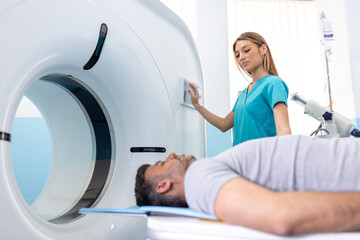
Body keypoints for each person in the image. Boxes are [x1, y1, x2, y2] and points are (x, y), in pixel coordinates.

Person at [134, 135, 360, 236]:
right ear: (163, 185)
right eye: (163, 163)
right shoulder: (198, 179)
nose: (171, 154)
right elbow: (281, 217)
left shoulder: (203, 180)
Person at [189, 32, 291, 146]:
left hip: (263, 159)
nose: (241, 57)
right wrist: (197, 105)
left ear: (263, 49)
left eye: (246, 50)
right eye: (237, 55)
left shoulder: (273, 84)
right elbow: (224, 124)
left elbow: (284, 132)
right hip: (240, 159)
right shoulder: (244, 94)